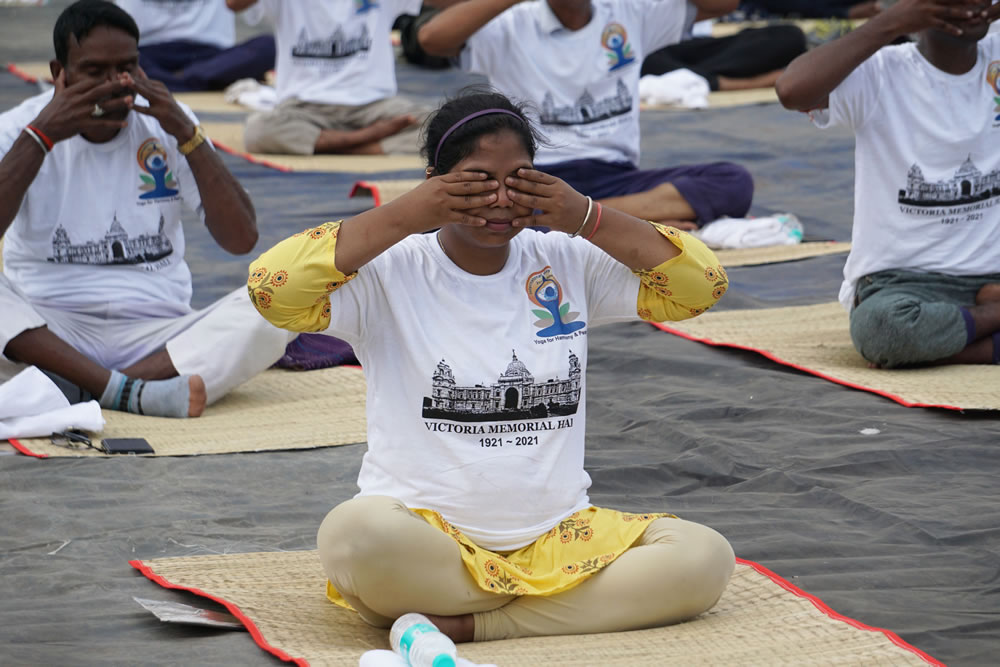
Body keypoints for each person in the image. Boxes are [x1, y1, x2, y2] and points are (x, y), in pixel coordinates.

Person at [247, 89, 734, 641]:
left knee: (703, 558)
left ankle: (476, 622)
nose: (501, 199)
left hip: (559, 540)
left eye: (520, 178)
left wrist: (585, 215)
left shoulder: (567, 259)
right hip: (429, 539)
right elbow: (272, 290)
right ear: (435, 180)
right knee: (355, 535)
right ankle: (556, 607)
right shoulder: (390, 271)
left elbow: (701, 287)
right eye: (477, 181)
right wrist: (408, 212)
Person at [0, 0, 295, 418]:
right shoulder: (19, 129)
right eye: (94, 72)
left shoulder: (168, 124)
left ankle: (91, 386)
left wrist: (184, 131)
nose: (113, 85)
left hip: (157, 333)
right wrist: (42, 136)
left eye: (126, 69)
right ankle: (128, 391)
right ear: (58, 74)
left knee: (281, 298)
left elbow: (240, 238)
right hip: (49, 329)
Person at [776, 0, 1000, 367]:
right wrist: (890, 23)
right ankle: (989, 320)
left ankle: (954, 338)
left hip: (993, 271)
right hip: (905, 283)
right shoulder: (881, 72)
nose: (969, 6)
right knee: (882, 330)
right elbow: (792, 90)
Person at [417, 0, 754, 231]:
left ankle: (566, 221)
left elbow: (724, 4)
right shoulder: (512, 23)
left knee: (732, 181)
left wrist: (579, 210)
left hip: (615, 177)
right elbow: (431, 39)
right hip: (529, 179)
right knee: (452, 209)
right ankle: (610, 222)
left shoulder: (626, 11)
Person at [226, 0, 446, 156]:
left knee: (441, 128)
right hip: (304, 109)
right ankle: (369, 140)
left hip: (374, 107)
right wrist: (373, 133)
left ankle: (337, 145)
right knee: (258, 131)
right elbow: (234, 3)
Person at [114, 0, 276, 92]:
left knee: (269, 46)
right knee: (115, 57)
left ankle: (163, 82)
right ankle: (200, 81)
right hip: (149, 52)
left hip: (211, 56)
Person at [641, 23, 807, 92]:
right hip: (643, 53)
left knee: (791, 35)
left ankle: (699, 76)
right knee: (645, 59)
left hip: (679, 46)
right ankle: (710, 79)